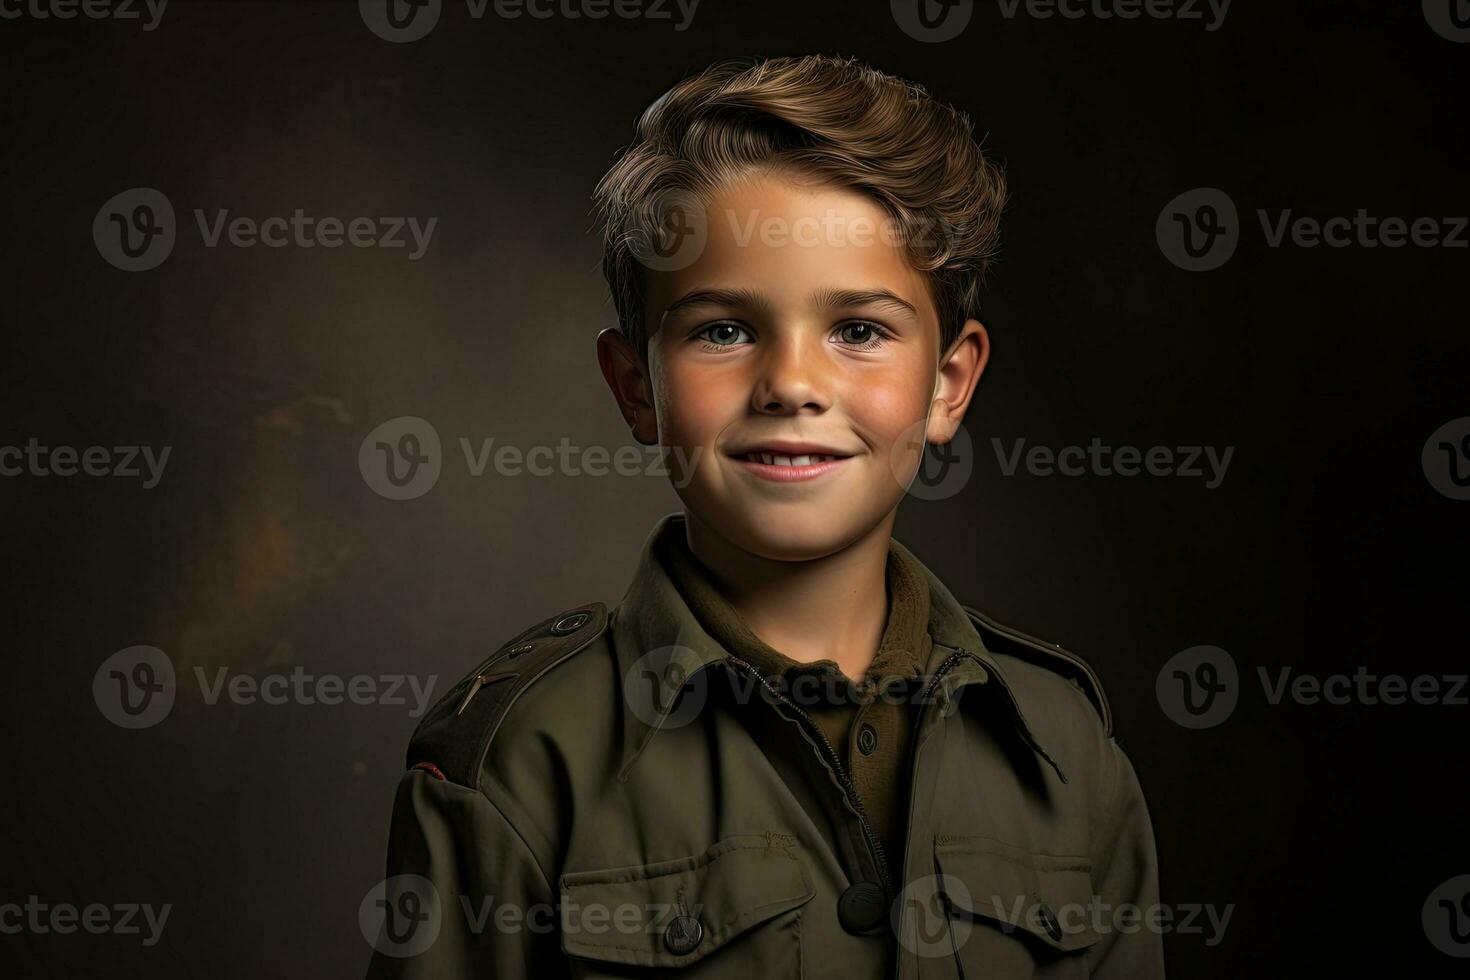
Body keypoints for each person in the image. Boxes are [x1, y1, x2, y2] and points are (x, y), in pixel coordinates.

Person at [366, 53, 1165, 979]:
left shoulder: (1066, 751)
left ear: (949, 384)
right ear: (636, 388)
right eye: (725, 330)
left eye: (858, 331)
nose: (791, 383)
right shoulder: (519, 765)